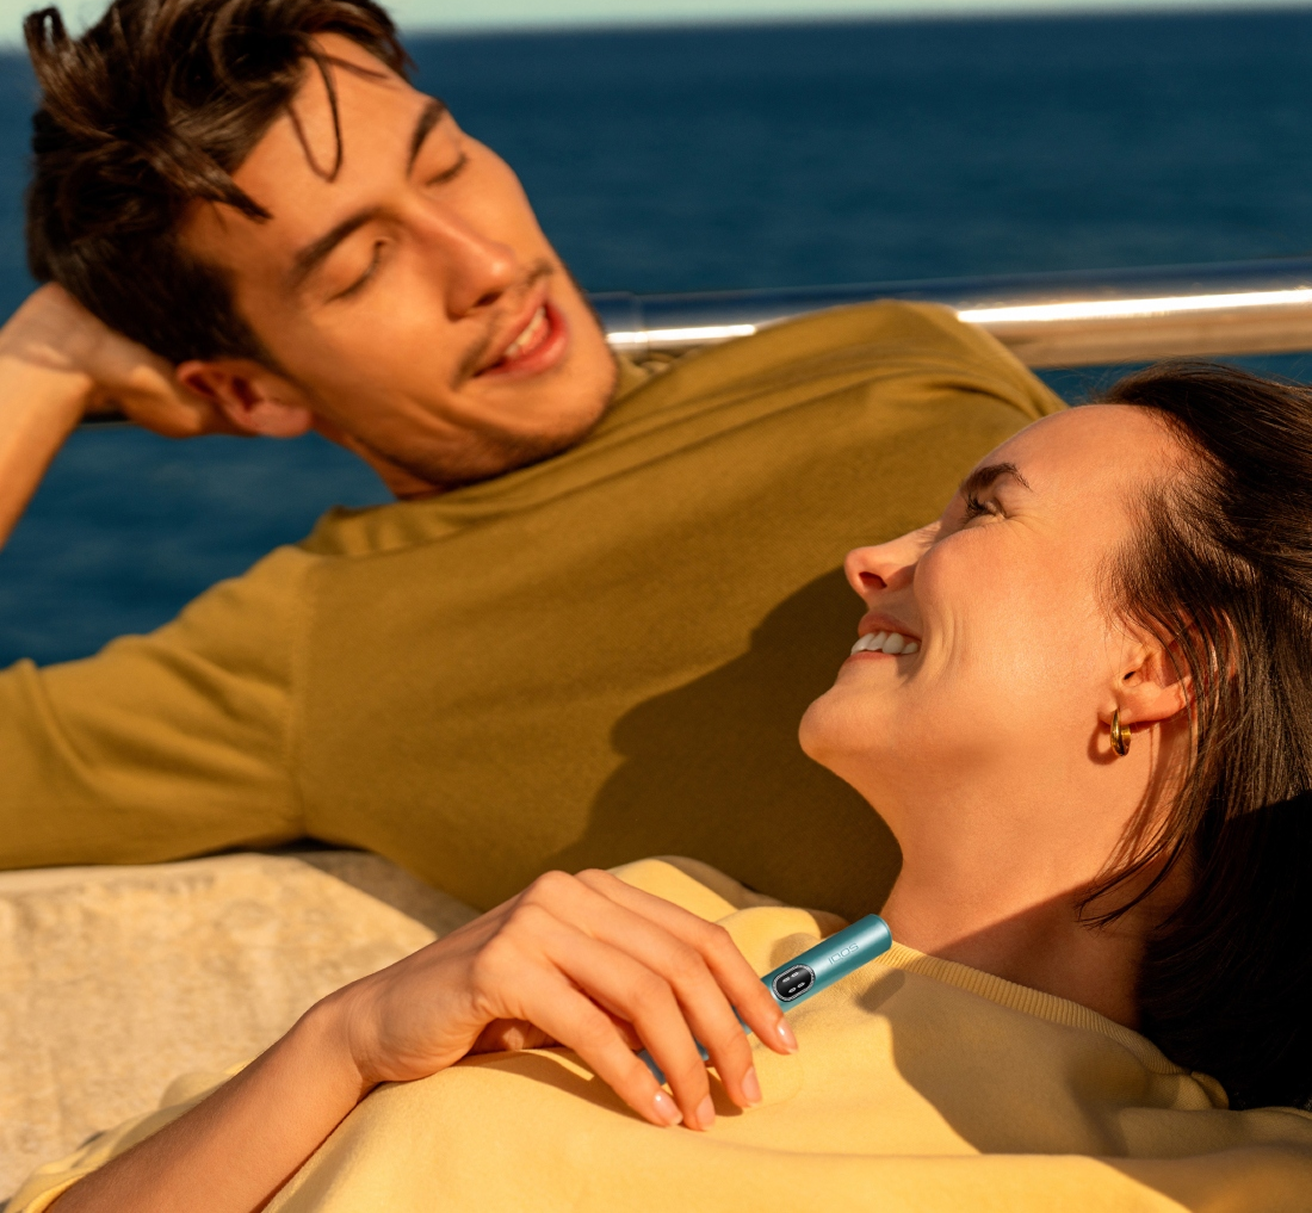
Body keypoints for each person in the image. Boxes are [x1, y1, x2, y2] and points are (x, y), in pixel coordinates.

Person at [13, 361, 1312, 1213]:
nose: (869, 559)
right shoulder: (638, 931)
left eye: (980, 514)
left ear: (1168, 658)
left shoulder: (1230, 1177)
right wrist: (343, 1045)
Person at [0, 0, 1062, 921]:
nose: (488, 265)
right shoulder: (313, 656)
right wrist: (37, 365)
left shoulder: (889, 348)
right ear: (248, 394)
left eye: (446, 163)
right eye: (364, 263)